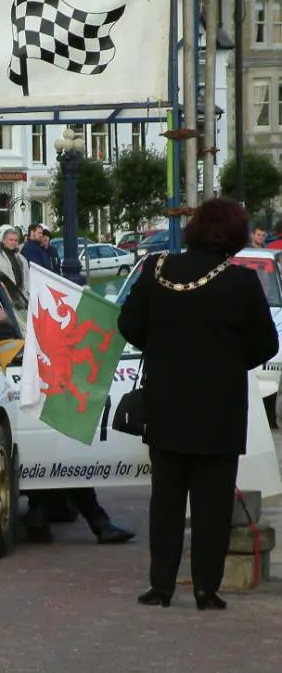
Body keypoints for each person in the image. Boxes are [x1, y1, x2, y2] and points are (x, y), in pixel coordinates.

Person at [118, 198, 279, 610]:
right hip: (219, 409)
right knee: (212, 504)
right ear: (236, 235)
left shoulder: (157, 269)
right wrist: (226, 363)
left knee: (166, 500)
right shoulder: (241, 282)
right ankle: (207, 588)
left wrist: (163, 350)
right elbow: (266, 343)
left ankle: (161, 586)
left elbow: (128, 324)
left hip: (166, 401)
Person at [0, 228, 30, 303]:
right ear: (4, 240)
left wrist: (26, 297)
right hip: (2, 301)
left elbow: (27, 281)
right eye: (11, 240)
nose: (14, 242)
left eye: (16, 240)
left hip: (21, 301)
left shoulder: (22, 259)